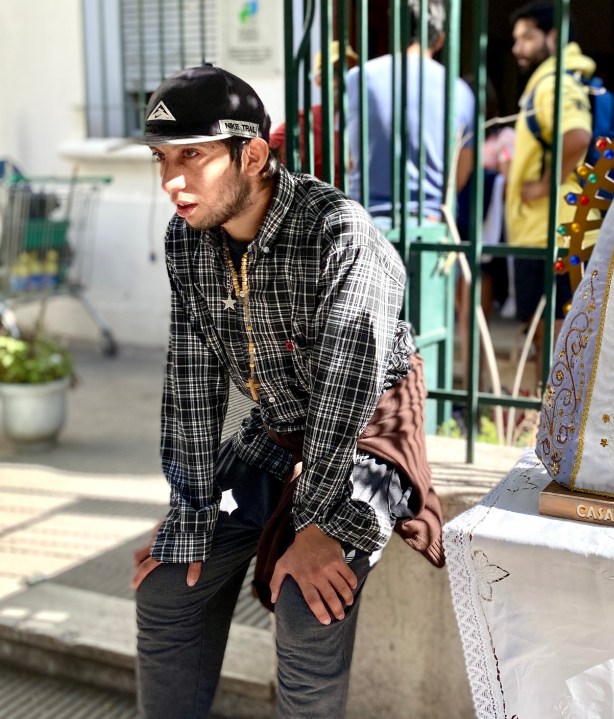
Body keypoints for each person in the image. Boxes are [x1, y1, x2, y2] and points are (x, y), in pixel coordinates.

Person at [132, 63, 442, 719]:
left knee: (309, 604)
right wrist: (190, 511)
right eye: (162, 158)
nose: (170, 181)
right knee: (166, 586)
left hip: (369, 428)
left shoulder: (339, 232)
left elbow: (347, 389)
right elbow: (191, 382)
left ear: (252, 155)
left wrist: (319, 523)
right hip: (278, 426)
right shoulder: (187, 240)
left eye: (192, 156)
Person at [505, 0, 596, 376]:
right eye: (516, 39)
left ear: (554, 37)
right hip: (550, 230)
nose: (517, 47)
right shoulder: (554, 81)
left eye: (527, 37)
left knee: (556, 340)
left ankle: (555, 409)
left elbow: (577, 136)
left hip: (553, 232)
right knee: (552, 337)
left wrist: (544, 185)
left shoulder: (554, 83)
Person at [345, 0, 475, 224]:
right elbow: (462, 170)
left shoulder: (358, 78)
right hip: (429, 224)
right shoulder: (458, 89)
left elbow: (347, 155)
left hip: (364, 222)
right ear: (440, 39)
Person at [268, 40, 359, 184]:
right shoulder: (304, 123)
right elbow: (264, 162)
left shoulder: (369, 119)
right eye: (336, 71)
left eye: (350, 71)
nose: (345, 78)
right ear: (318, 80)